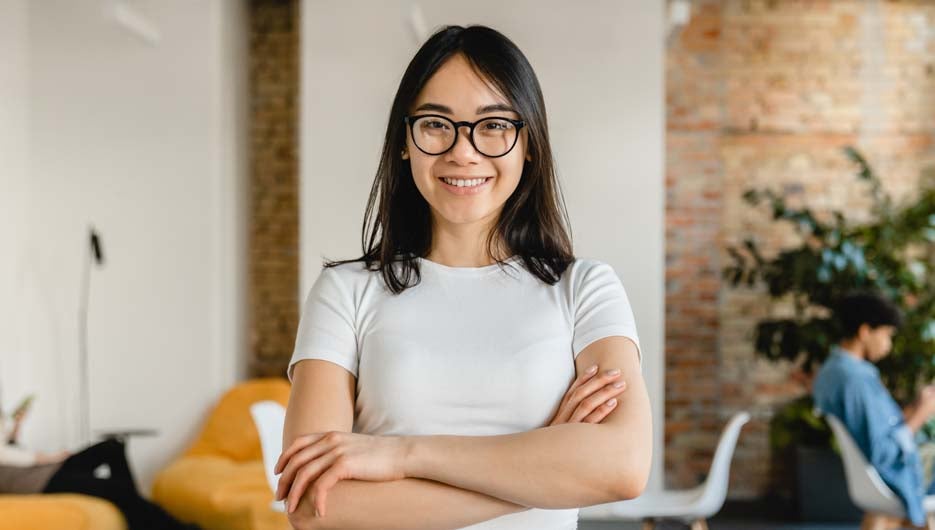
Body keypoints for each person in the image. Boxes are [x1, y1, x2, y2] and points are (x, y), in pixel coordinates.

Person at [275, 24, 652, 530]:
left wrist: (403, 455)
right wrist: (543, 473)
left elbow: (622, 468)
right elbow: (313, 507)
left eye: (494, 125)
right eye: (436, 124)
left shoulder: (585, 289)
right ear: (405, 142)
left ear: (529, 143)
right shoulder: (344, 292)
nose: (464, 152)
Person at [813, 290, 935, 526]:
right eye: (887, 335)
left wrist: (916, 407)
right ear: (865, 331)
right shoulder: (855, 380)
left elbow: (879, 426)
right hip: (894, 474)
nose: (888, 344)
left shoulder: (834, 371)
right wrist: (921, 415)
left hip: (881, 471)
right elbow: (882, 452)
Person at [0, 404, 200, 530]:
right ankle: (167, 525)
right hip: (39, 482)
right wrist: (45, 457)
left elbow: (11, 452)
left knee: (112, 446)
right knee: (117, 489)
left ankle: (134, 506)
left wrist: (15, 430)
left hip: (48, 468)